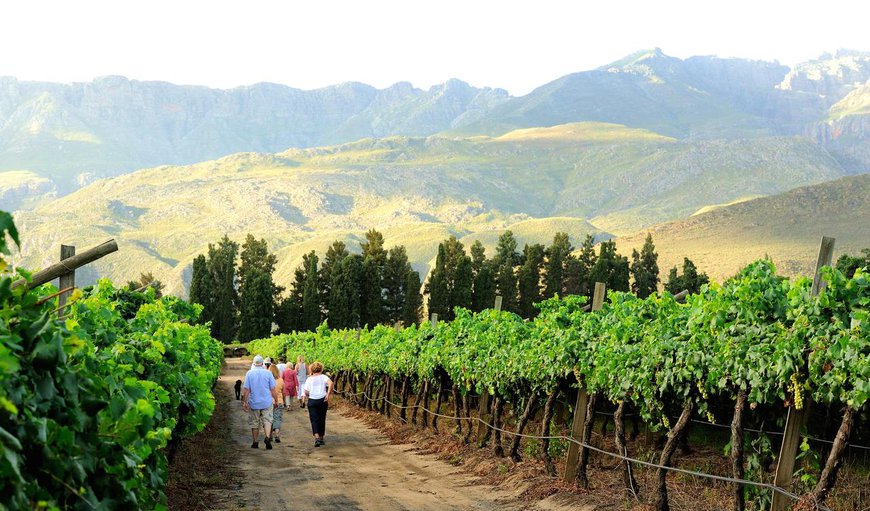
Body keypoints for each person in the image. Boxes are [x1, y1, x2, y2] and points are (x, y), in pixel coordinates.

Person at [242, 355, 279, 449]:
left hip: (254, 402)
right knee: (267, 420)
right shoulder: (268, 373)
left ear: (253, 363)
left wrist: (245, 402)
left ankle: (255, 442)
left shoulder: (249, 373)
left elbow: (246, 390)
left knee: (255, 422)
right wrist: (276, 400)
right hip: (267, 401)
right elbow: (273, 389)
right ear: (262, 363)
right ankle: (267, 437)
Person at [302, 361, 333, 447]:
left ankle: (316, 437)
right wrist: (327, 394)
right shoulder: (324, 377)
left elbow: (306, 391)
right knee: (322, 418)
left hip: (312, 400)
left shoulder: (309, 379)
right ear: (321, 369)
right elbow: (330, 383)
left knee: (314, 419)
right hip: (322, 400)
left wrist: (308, 395)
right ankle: (321, 438)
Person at [268, 364, 284, 443]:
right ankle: (277, 435)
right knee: (277, 419)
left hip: (268, 402)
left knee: (269, 419)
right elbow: (283, 392)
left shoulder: (267, 380)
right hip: (279, 401)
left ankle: (269, 435)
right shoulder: (281, 380)